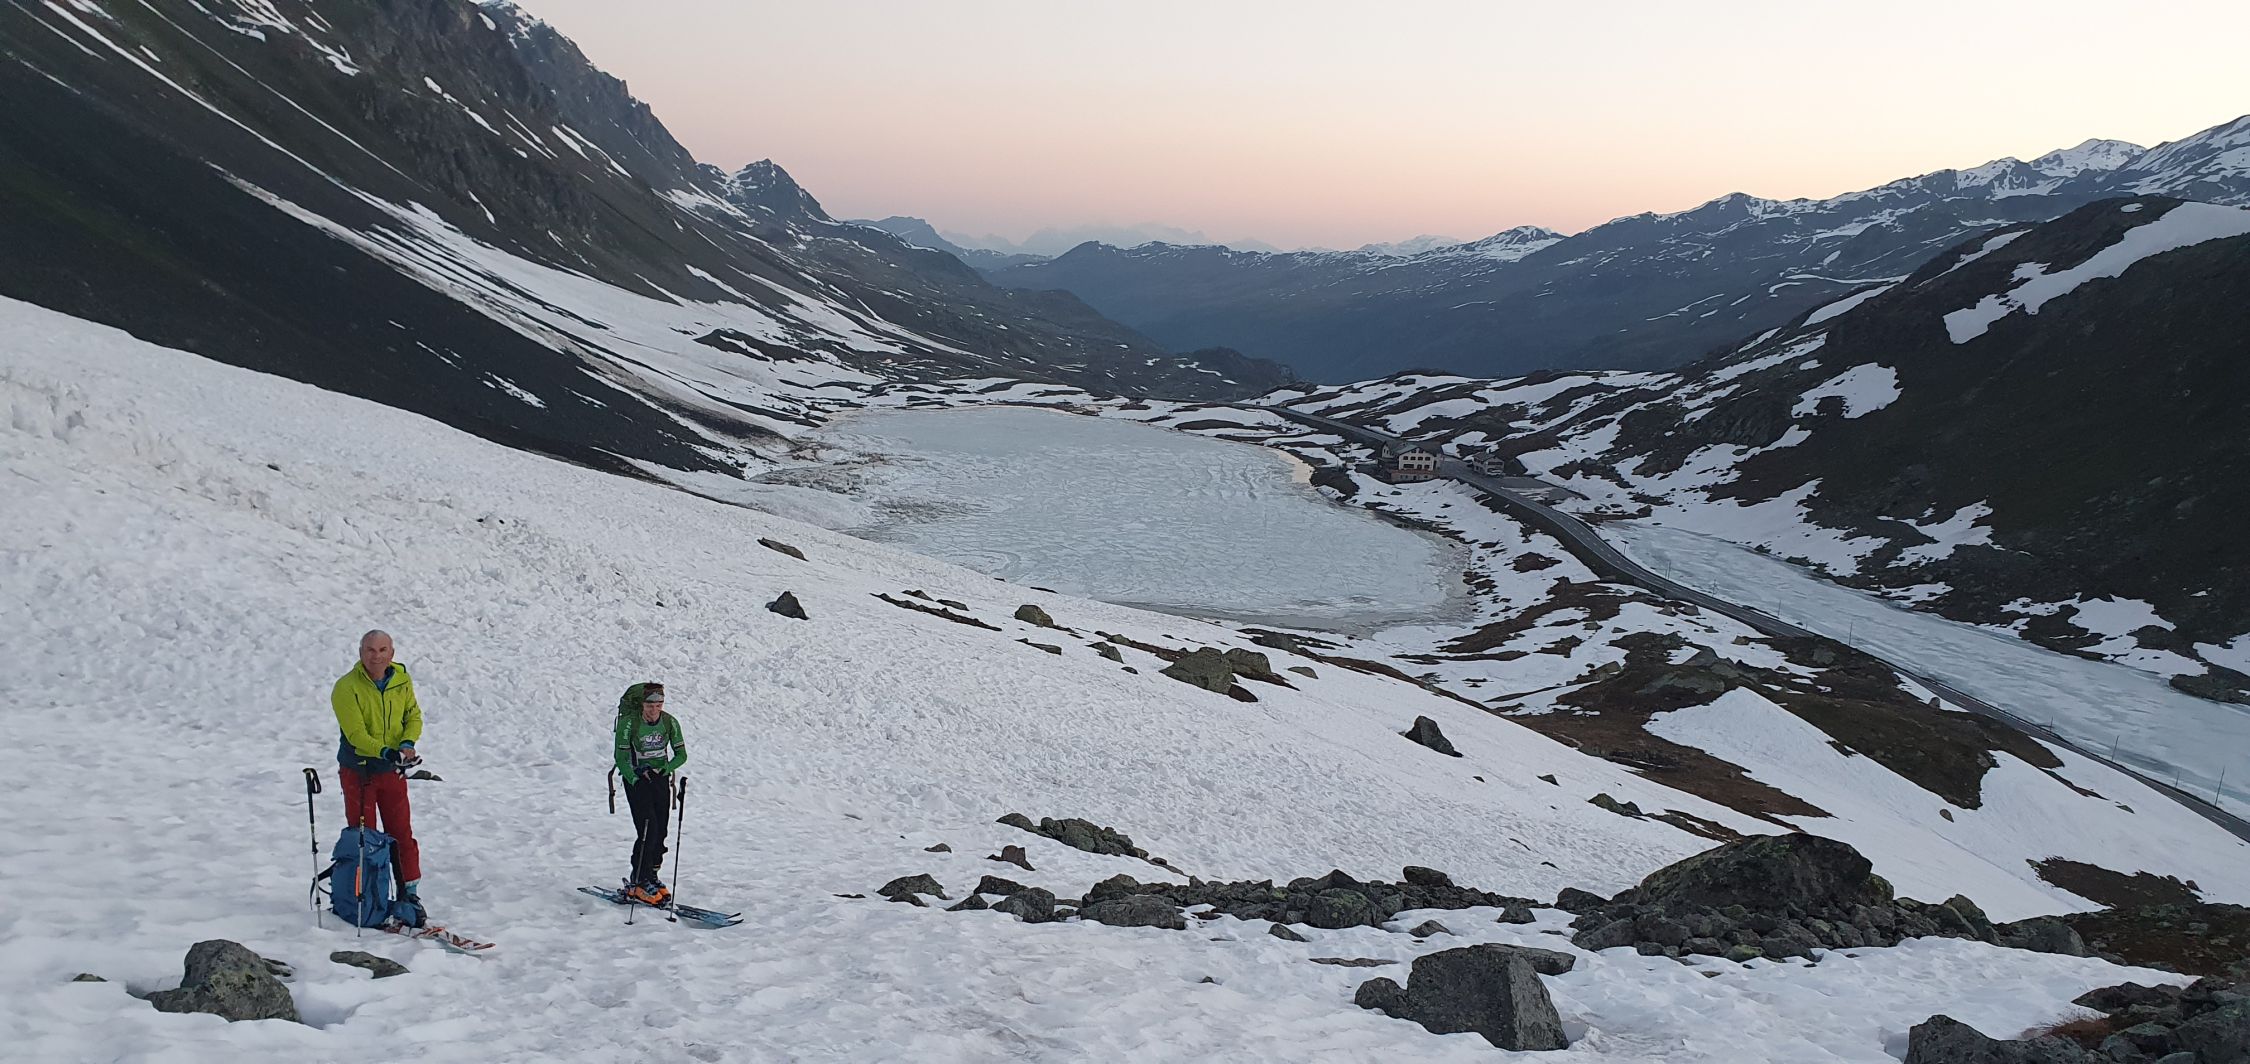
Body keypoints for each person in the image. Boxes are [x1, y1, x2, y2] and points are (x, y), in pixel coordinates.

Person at [333, 629, 425, 917]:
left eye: (383, 650)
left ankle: (409, 894)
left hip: (392, 771)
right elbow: (356, 734)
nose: (376, 656)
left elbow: (413, 715)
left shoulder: (401, 680)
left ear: (392, 653)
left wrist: (407, 743)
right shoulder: (346, 687)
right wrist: (385, 751)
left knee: (401, 833)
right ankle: (367, 895)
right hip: (359, 771)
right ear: (361, 652)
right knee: (365, 837)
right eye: (370, 650)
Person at [614, 682, 686, 905]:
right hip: (637, 779)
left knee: (661, 830)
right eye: (649, 705)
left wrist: (666, 768)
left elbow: (681, 755)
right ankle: (639, 879)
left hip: (660, 778)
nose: (654, 710)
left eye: (658, 705)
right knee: (648, 829)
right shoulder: (629, 723)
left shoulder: (669, 722)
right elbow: (620, 758)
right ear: (642, 705)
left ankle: (651, 874)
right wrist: (634, 778)